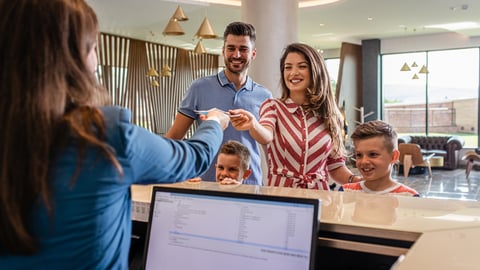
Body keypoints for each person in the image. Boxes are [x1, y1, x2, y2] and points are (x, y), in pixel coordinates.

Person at [0, 0, 230, 269]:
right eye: (94, 47)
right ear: (75, 56)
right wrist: (214, 122)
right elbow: (194, 157)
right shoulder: (105, 135)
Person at [230, 43, 359, 190]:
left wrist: (358, 181)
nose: (293, 73)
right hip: (281, 197)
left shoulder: (331, 115)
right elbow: (266, 135)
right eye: (288, 67)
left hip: (320, 198)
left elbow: (335, 167)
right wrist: (253, 124)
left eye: (302, 66)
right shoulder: (273, 106)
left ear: (315, 70)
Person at [166, 21, 272, 185]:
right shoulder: (199, 88)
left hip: (250, 185)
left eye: (243, 49)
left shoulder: (264, 95)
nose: (236, 55)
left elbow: (268, 144)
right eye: (231, 48)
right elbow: (174, 137)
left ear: (253, 54)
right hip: (206, 184)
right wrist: (175, 172)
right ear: (223, 51)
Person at [339, 120, 420, 196]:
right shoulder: (345, 192)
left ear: (393, 157)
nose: (364, 161)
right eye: (359, 155)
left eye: (373, 154)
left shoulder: (408, 196)